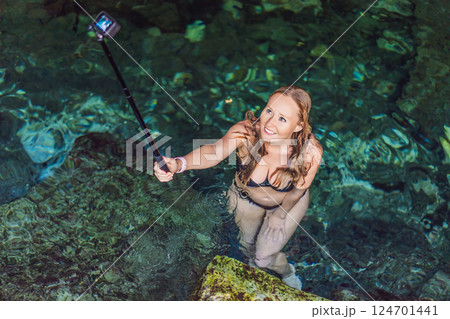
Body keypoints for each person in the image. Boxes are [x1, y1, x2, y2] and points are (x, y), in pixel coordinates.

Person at [154, 85, 323, 290]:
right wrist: (178, 164)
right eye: (269, 111)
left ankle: (287, 271)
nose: (269, 123)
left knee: (262, 259)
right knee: (247, 250)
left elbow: (297, 190)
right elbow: (214, 152)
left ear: (298, 125)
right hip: (245, 199)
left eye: (282, 119)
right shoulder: (246, 132)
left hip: (287, 204)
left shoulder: (310, 152)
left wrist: (279, 215)